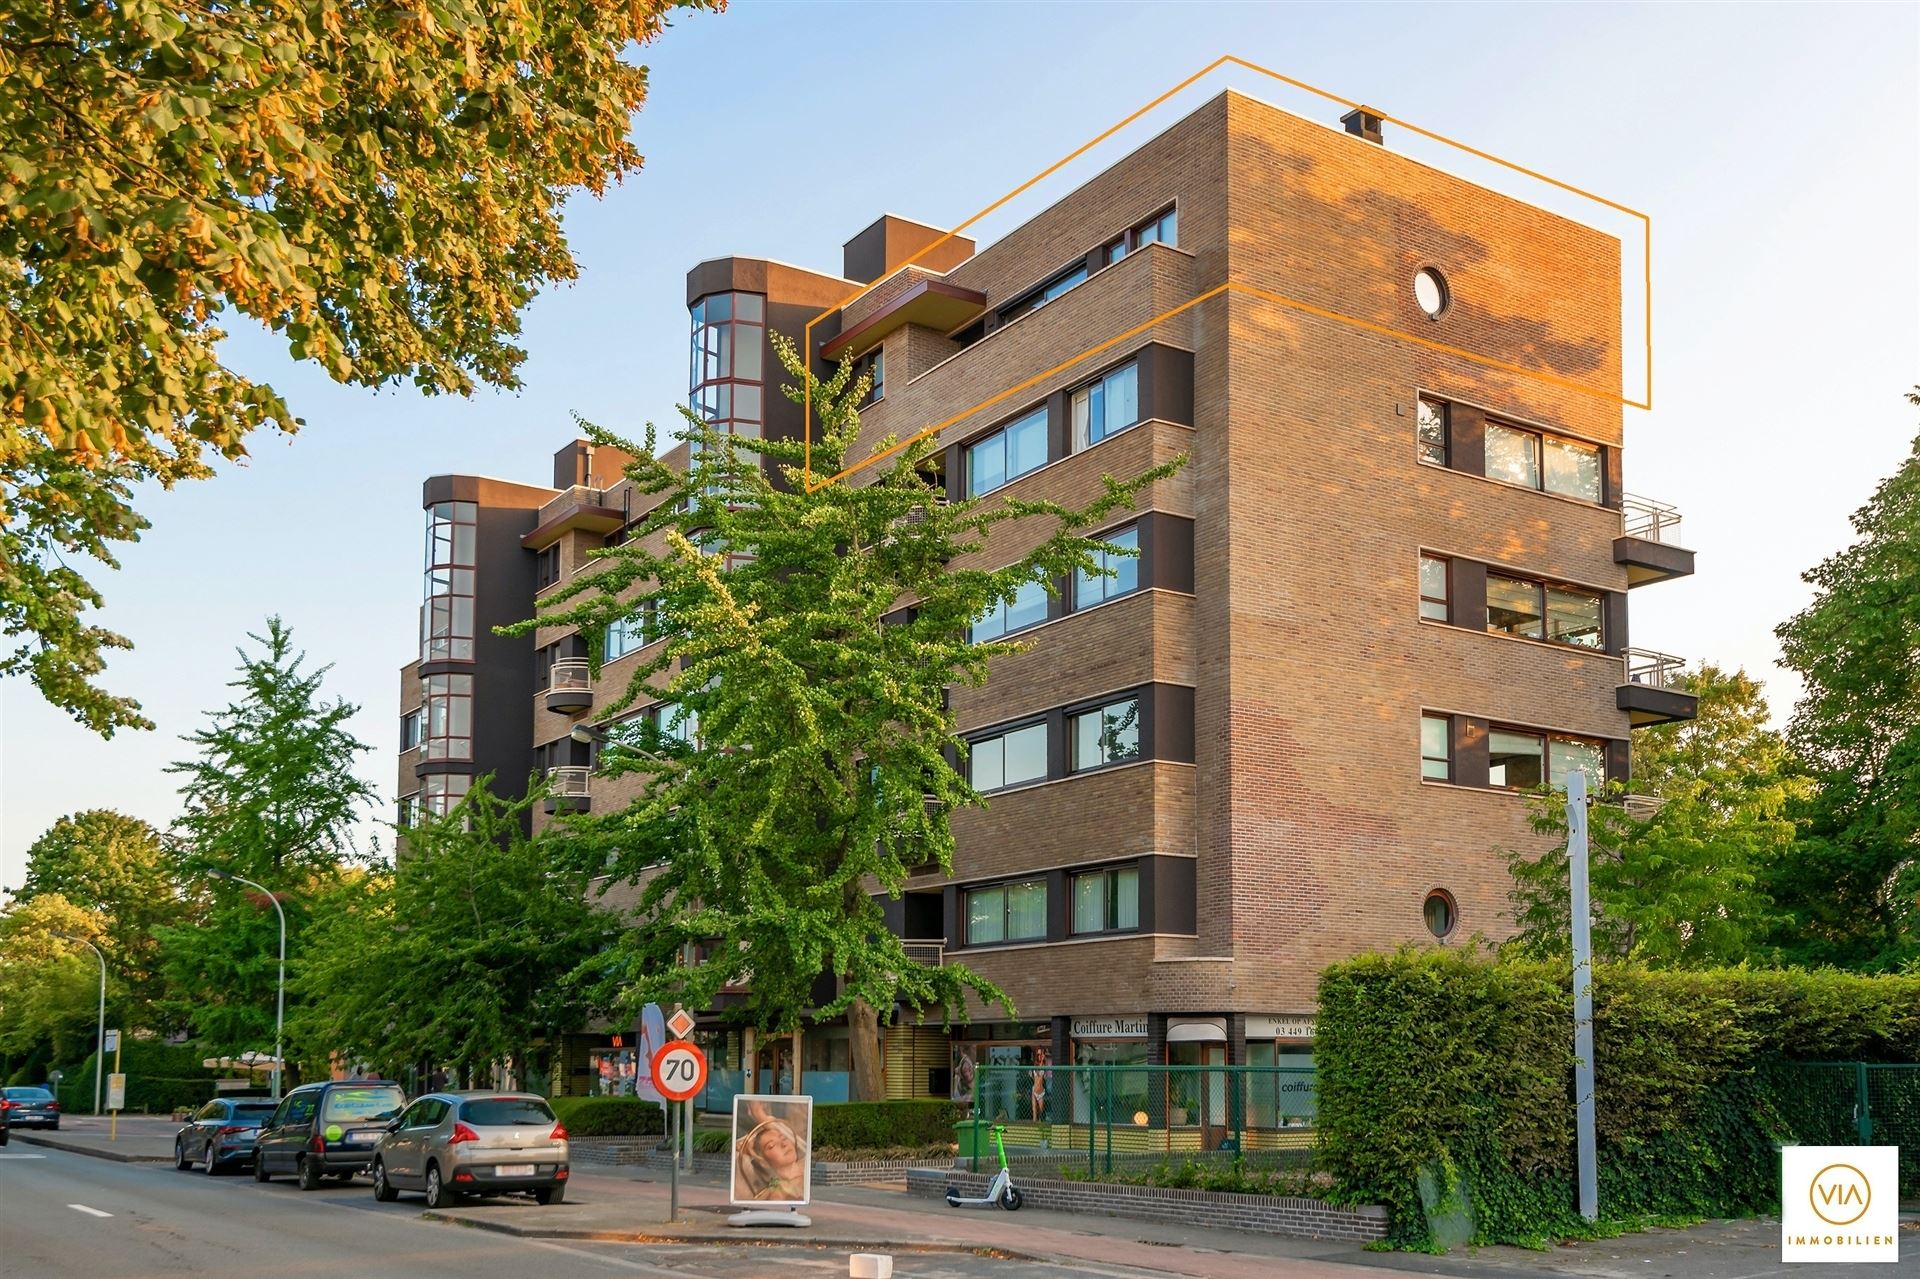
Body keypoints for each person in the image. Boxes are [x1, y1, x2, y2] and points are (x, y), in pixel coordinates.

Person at [734, 1101, 808, 1202]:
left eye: (783, 1138)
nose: (783, 1144)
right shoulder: (774, 1194)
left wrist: (761, 1116)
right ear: (763, 1161)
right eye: (772, 1146)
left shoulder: (808, 1170)